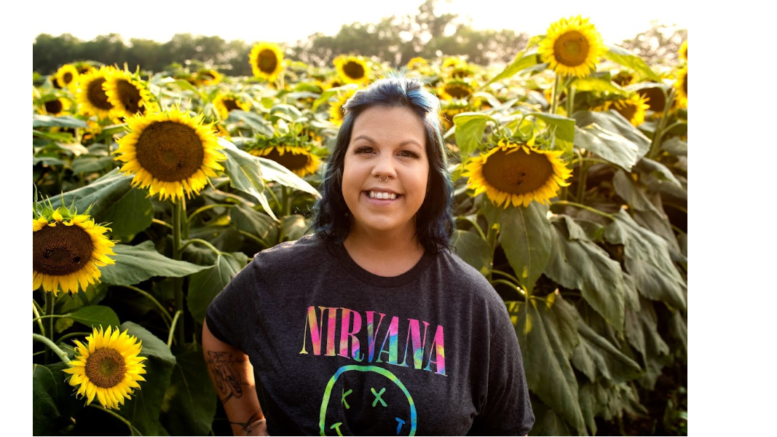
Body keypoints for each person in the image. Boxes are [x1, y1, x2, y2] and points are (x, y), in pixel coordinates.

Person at [203, 75, 535, 436]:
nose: (384, 168)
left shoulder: (473, 304)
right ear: (342, 164)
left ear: (432, 175)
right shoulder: (276, 276)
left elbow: (509, 426)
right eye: (365, 150)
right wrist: (248, 424)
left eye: (407, 154)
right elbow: (219, 328)